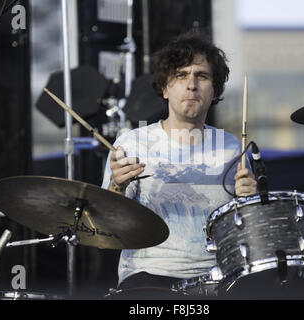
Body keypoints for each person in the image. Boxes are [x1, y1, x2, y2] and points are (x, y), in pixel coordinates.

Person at [101, 33, 257, 295]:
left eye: (202, 76)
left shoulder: (233, 147)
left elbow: (249, 233)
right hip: (147, 277)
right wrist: (117, 185)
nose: (192, 85)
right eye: (181, 75)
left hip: (218, 278)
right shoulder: (132, 143)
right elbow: (105, 229)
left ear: (215, 90)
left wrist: (251, 203)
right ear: (165, 88)